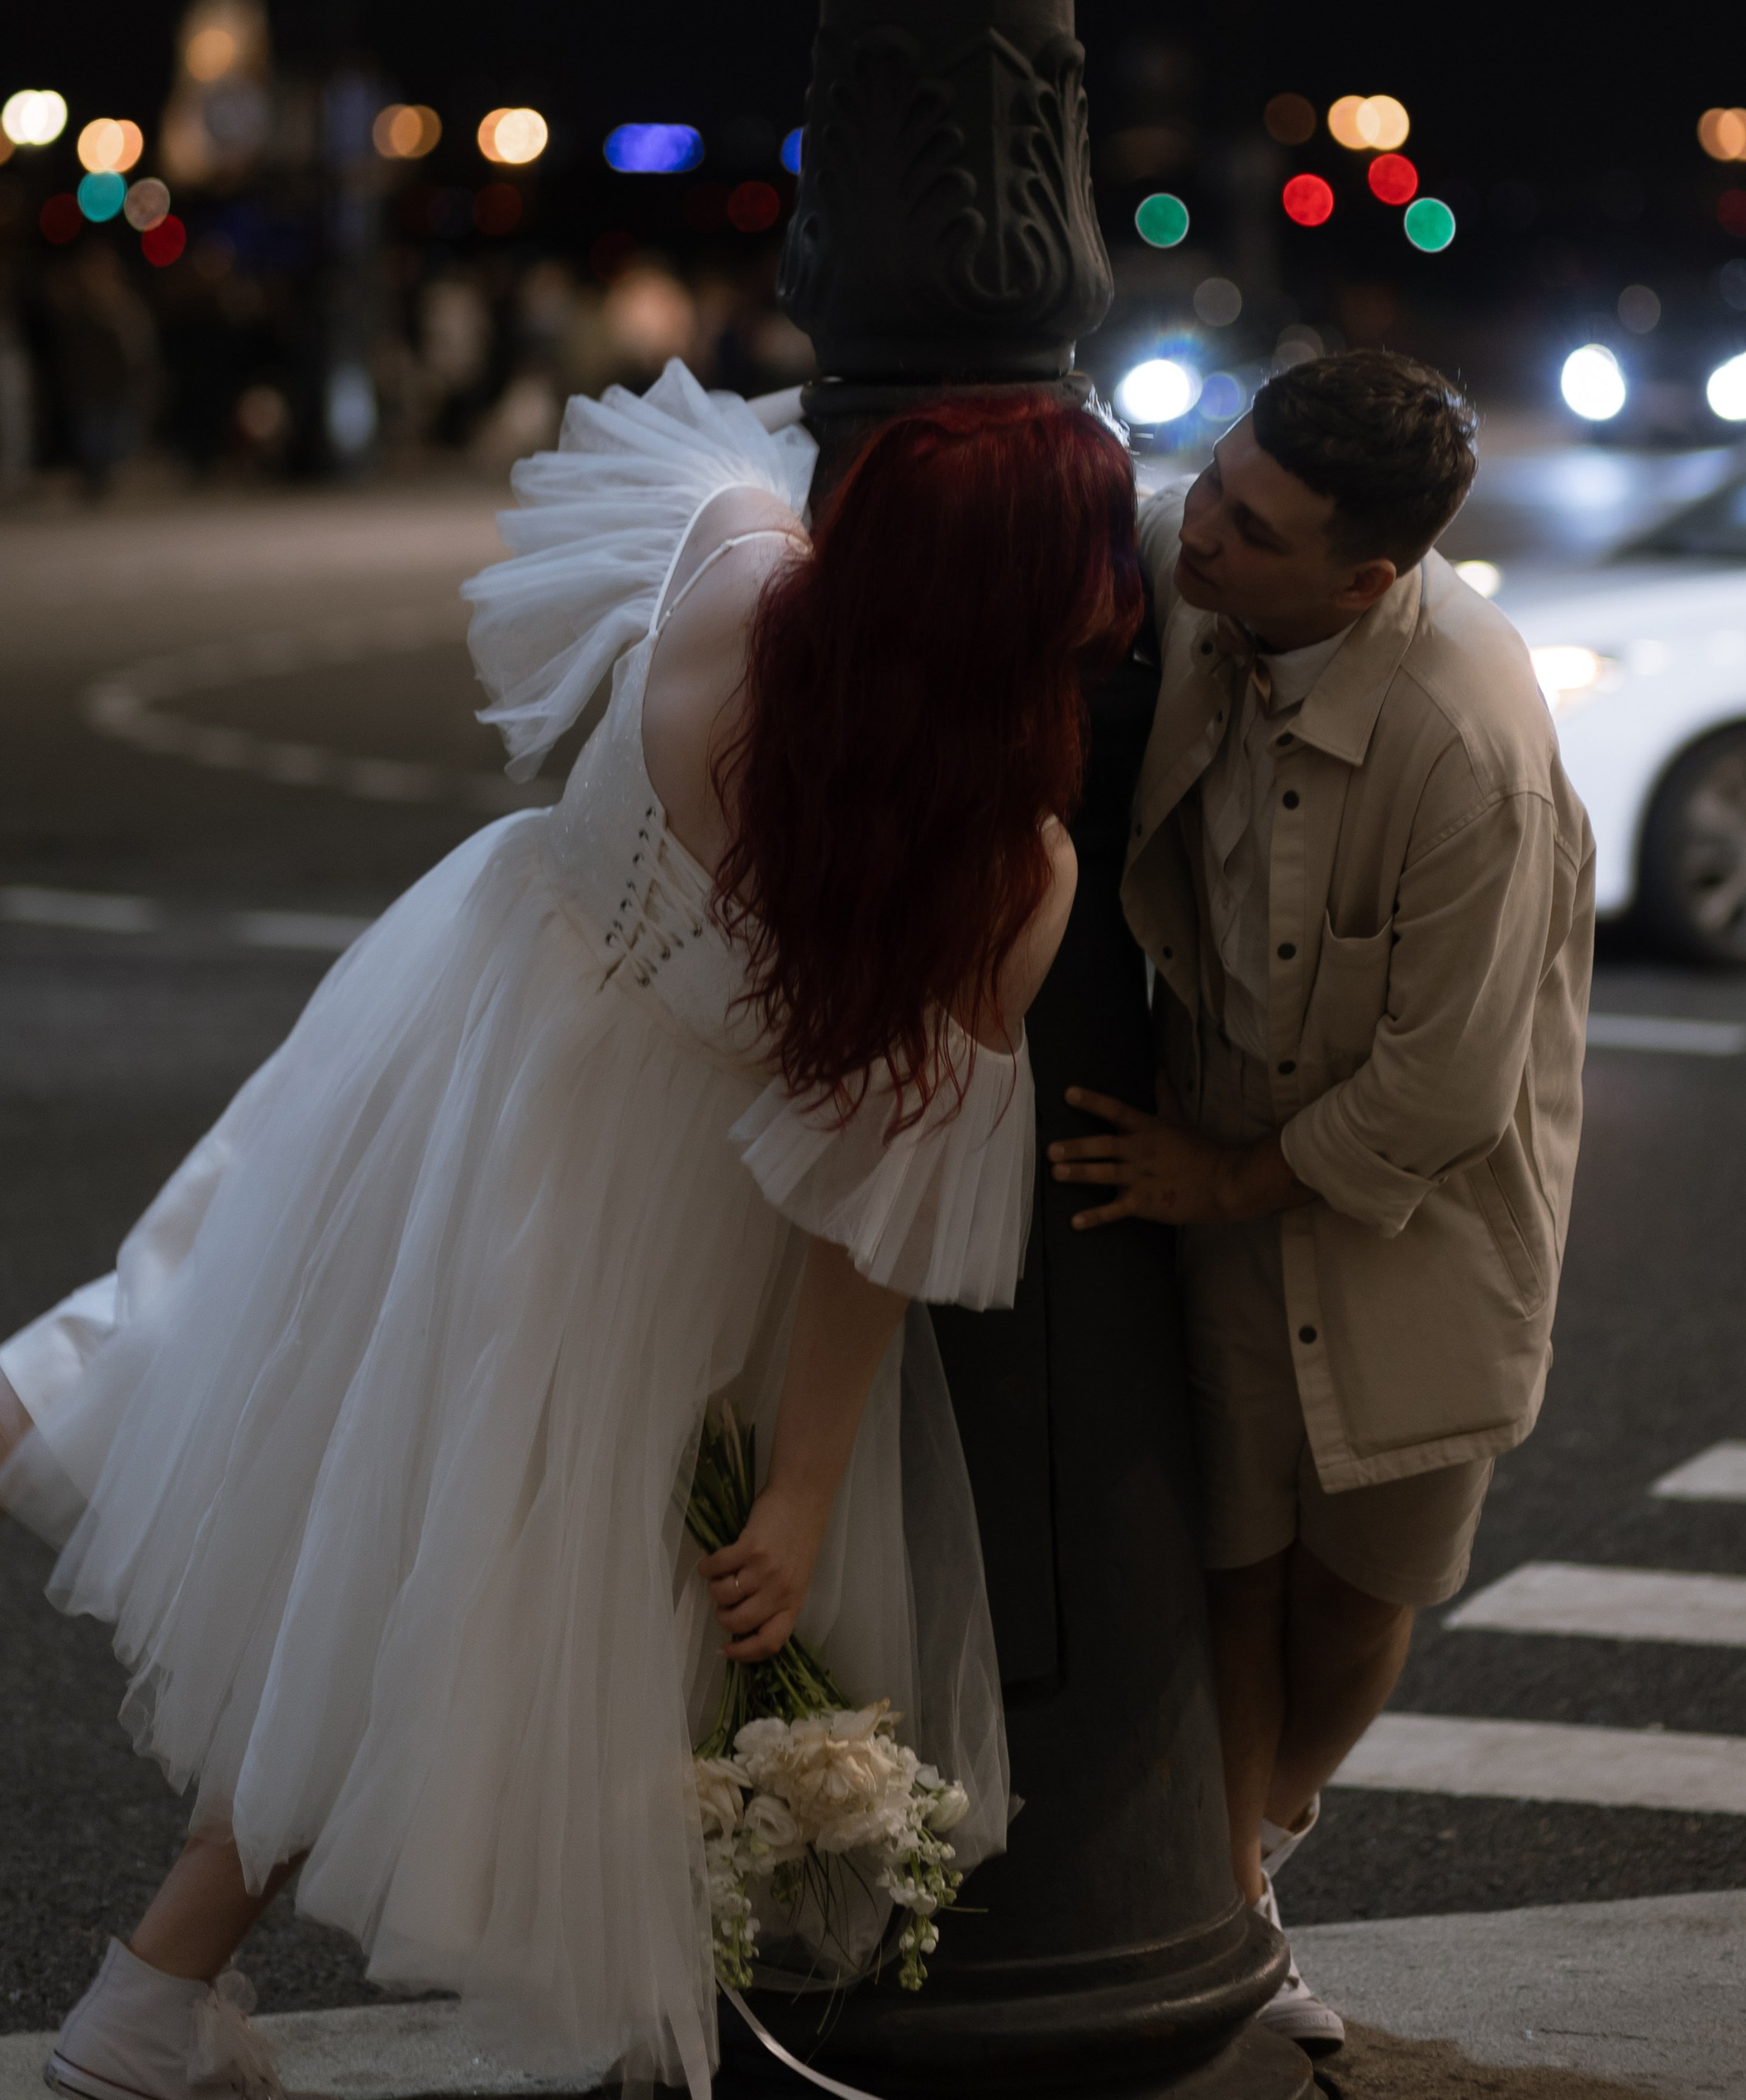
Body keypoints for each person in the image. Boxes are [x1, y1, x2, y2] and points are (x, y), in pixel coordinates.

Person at [0, 367, 1141, 2100]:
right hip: (674, 1215)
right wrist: (806, 1488)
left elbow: (680, 484)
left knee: (281, 1437)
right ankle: (171, 2013)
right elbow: (872, 1215)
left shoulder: (731, 571)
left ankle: (150, 2006)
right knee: (472, 1589)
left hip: (461, 1049)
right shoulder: (1003, 863)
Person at [1046, 351, 1592, 2050]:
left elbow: (1439, 1095)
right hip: (1215, 1156)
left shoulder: (1465, 742)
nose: (1196, 538)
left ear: (1366, 579)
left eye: (1247, 528)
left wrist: (1218, 1177)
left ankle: (1261, 1838)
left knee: (1362, 1581)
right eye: (1208, 486)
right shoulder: (1191, 554)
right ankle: (1227, 1915)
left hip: (1416, 1219)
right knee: (1230, 1559)